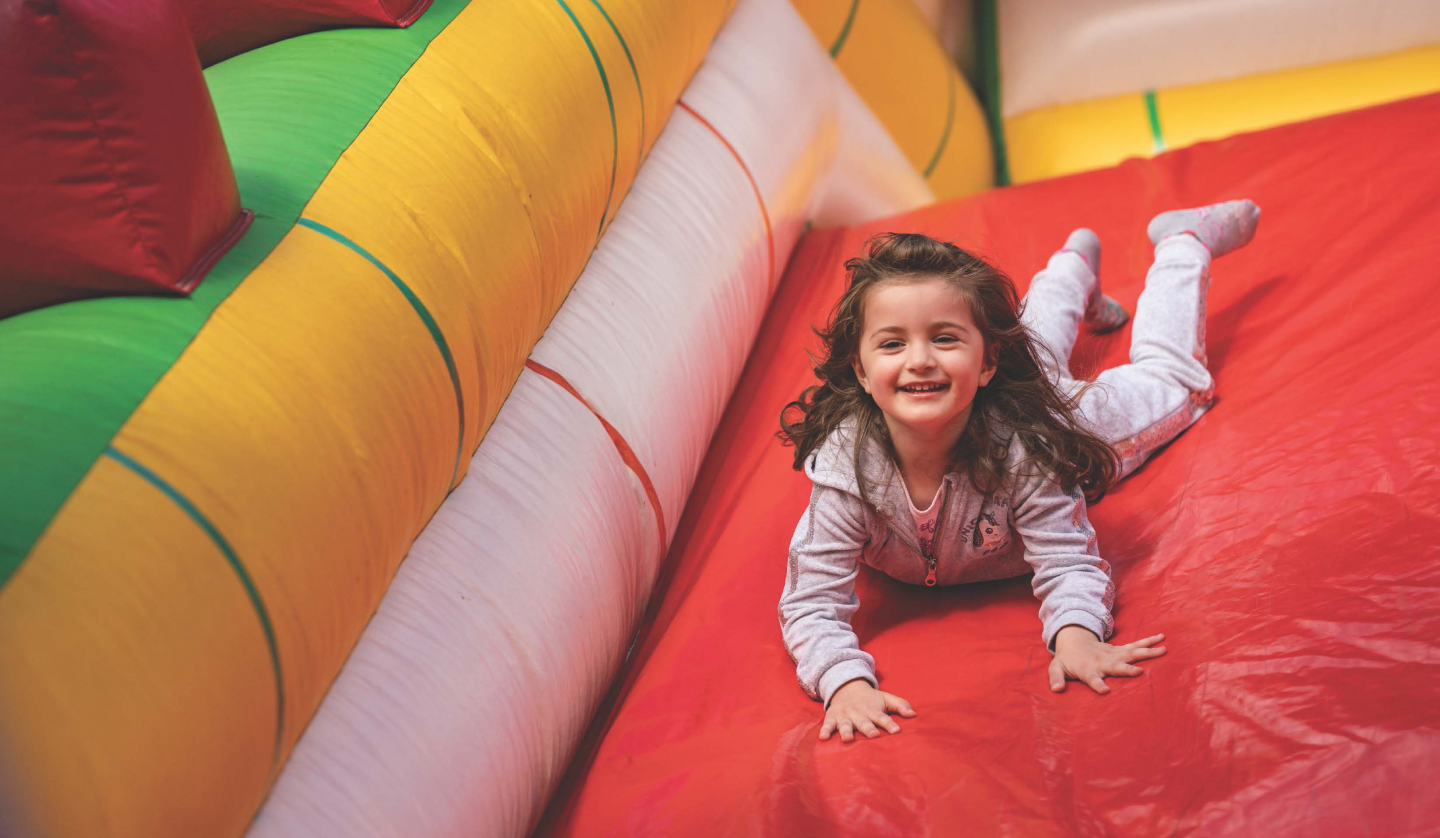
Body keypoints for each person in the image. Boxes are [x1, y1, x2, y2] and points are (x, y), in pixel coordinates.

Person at [776, 201, 1261, 743]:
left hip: (1059, 422)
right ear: (862, 371)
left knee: (1176, 383)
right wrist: (843, 682)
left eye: (942, 339)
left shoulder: (1026, 451)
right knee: (1021, 350)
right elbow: (811, 603)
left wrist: (1075, 635)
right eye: (893, 343)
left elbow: (1067, 559)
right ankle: (1072, 267)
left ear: (987, 364)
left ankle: (1182, 242)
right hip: (992, 391)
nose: (919, 360)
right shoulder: (849, 474)